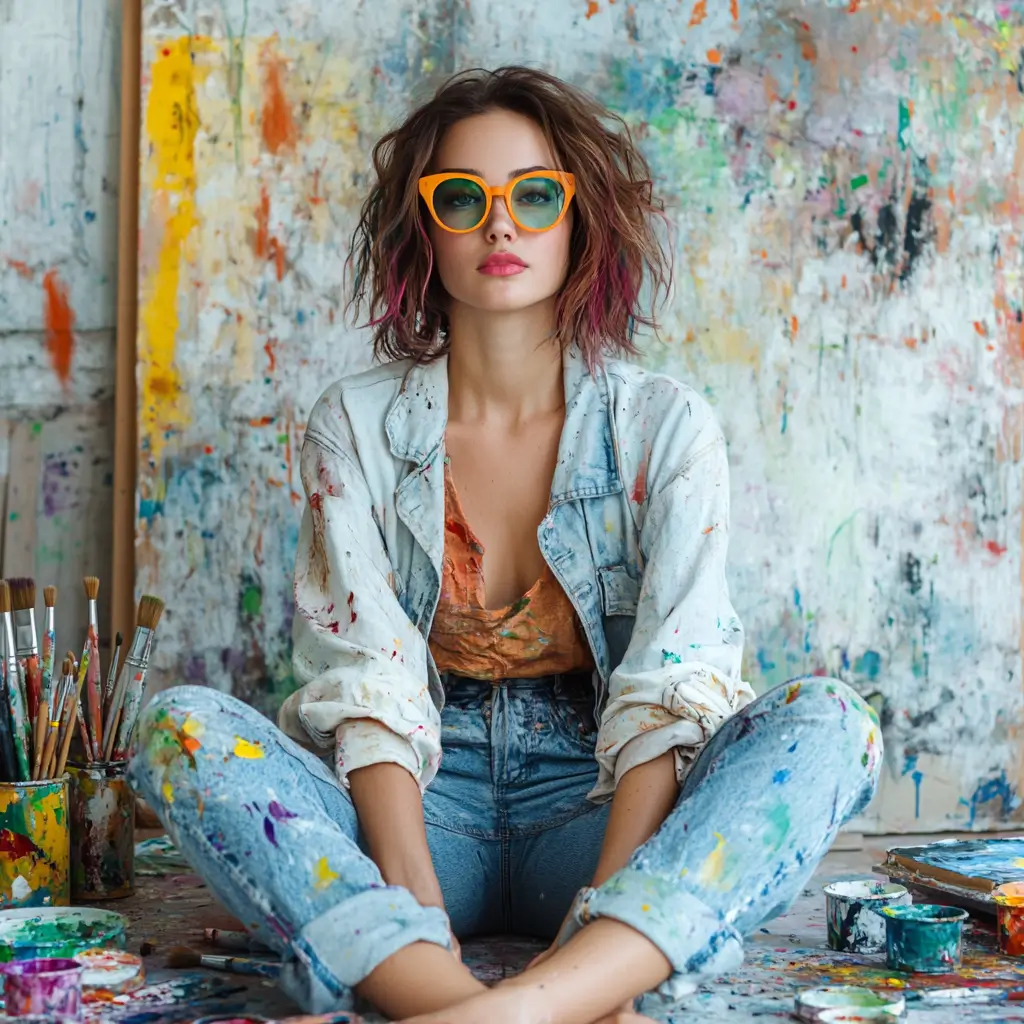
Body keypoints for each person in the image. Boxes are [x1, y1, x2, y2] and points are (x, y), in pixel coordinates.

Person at [131, 66, 882, 1024]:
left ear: (578, 217)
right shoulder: (352, 426)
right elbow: (370, 692)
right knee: (181, 728)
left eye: (534, 194)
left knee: (829, 721)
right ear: (424, 227)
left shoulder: (663, 427)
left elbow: (665, 695)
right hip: (422, 805)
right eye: (462, 199)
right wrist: (427, 931)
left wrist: (587, 934)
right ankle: (455, 1000)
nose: (501, 225)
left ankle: (542, 1003)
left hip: (595, 802)